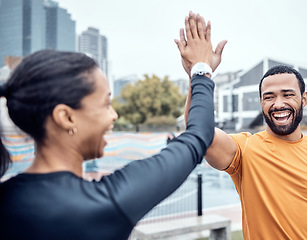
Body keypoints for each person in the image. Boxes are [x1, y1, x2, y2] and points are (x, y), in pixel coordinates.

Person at [0, 12, 218, 240]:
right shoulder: (102, 204)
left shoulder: (7, 199)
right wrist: (201, 71)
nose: (113, 115)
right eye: (106, 104)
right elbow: (197, 137)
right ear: (66, 117)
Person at [176, 18, 307, 240]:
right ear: (261, 103)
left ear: (304, 99)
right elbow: (199, 131)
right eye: (269, 97)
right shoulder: (244, 150)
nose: (278, 104)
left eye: (287, 94)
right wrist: (198, 73)